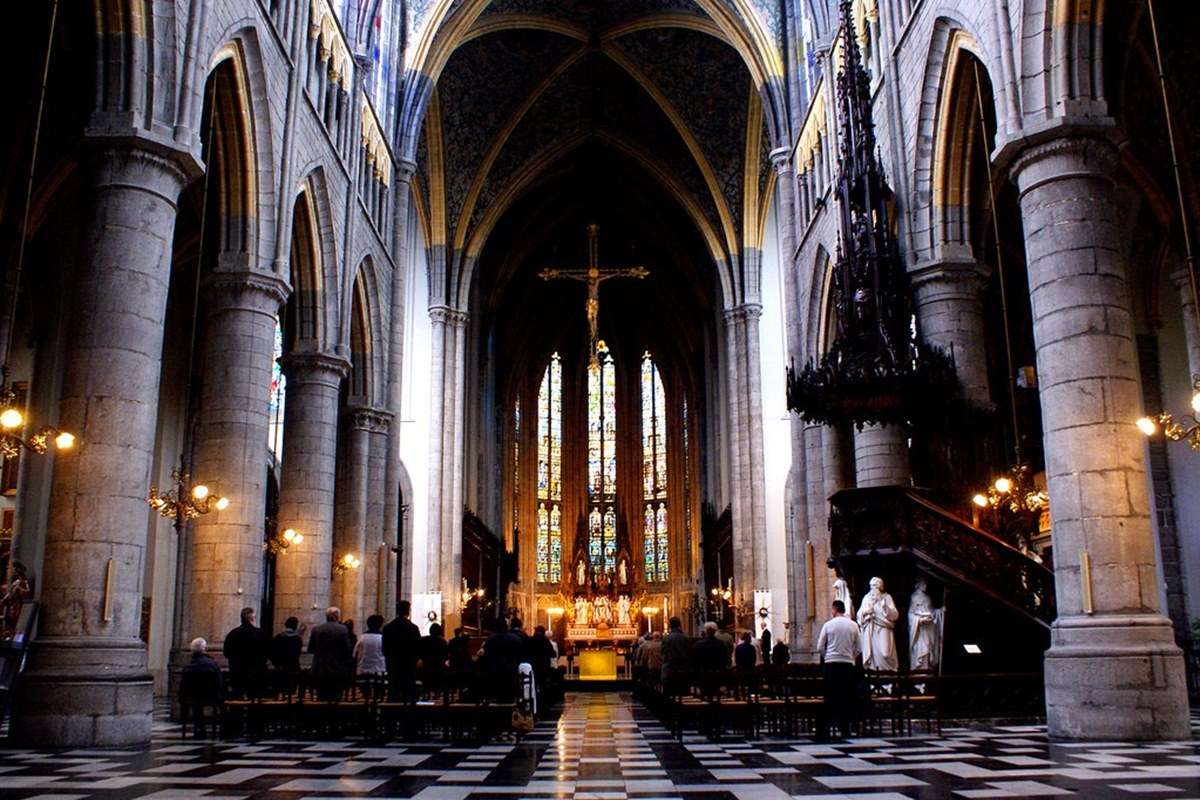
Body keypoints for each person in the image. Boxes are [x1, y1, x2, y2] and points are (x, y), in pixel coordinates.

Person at [816, 600, 862, 740]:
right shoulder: (853, 625)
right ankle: (845, 729)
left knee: (830, 697)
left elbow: (820, 647)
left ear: (834, 610)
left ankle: (827, 729)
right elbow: (859, 648)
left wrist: (828, 656)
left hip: (831, 666)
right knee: (847, 697)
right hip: (847, 665)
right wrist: (849, 657)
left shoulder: (828, 625)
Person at [179, 637, 222, 736]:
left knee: (197, 703)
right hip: (211, 696)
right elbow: (219, 681)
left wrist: (182, 698)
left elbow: (183, 686)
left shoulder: (188, 666)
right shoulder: (212, 664)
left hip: (193, 697)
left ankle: (200, 727)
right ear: (204, 649)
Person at [309, 607, 353, 700]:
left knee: (321, 695)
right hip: (337, 667)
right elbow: (346, 649)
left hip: (320, 666)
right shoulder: (342, 629)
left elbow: (311, 648)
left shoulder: (316, 629)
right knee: (336, 695)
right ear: (336, 616)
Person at [224, 607, 269, 699]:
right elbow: (267, 652)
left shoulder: (233, 634)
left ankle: (237, 712)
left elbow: (226, 653)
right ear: (252, 619)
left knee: (237, 696)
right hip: (256, 673)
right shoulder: (260, 634)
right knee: (255, 698)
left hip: (237, 672)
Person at [856, 576, 899, 672]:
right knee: (873, 654)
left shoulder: (887, 598)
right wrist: (866, 612)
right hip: (871, 628)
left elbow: (895, 615)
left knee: (885, 653)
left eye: (875, 586)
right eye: (871, 586)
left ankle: (888, 677)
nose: (872, 589)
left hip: (884, 627)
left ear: (880, 587)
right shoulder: (866, 598)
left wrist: (885, 607)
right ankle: (876, 678)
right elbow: (859, 615)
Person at [382, 600, 422, 702]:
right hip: (408, 666)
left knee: (393, 692)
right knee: (407, 694)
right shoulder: (413, 628)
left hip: (393, 665)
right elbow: (418, 648)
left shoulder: (388, 628)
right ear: (408, 611)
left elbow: (384, 649)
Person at [417, 622, 449, 692]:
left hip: (426, 668)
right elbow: (446, 656)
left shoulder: (424, 640)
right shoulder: (442, 642)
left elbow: (419, 653)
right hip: (439, 668)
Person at [661, 617, 690, 691]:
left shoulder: (666, 638)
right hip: (683, 668)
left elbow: (663, 653)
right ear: (679, 624)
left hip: (670, 668)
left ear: (670, 625)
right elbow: (688, 652)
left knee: (670, 691)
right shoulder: (685, 637)